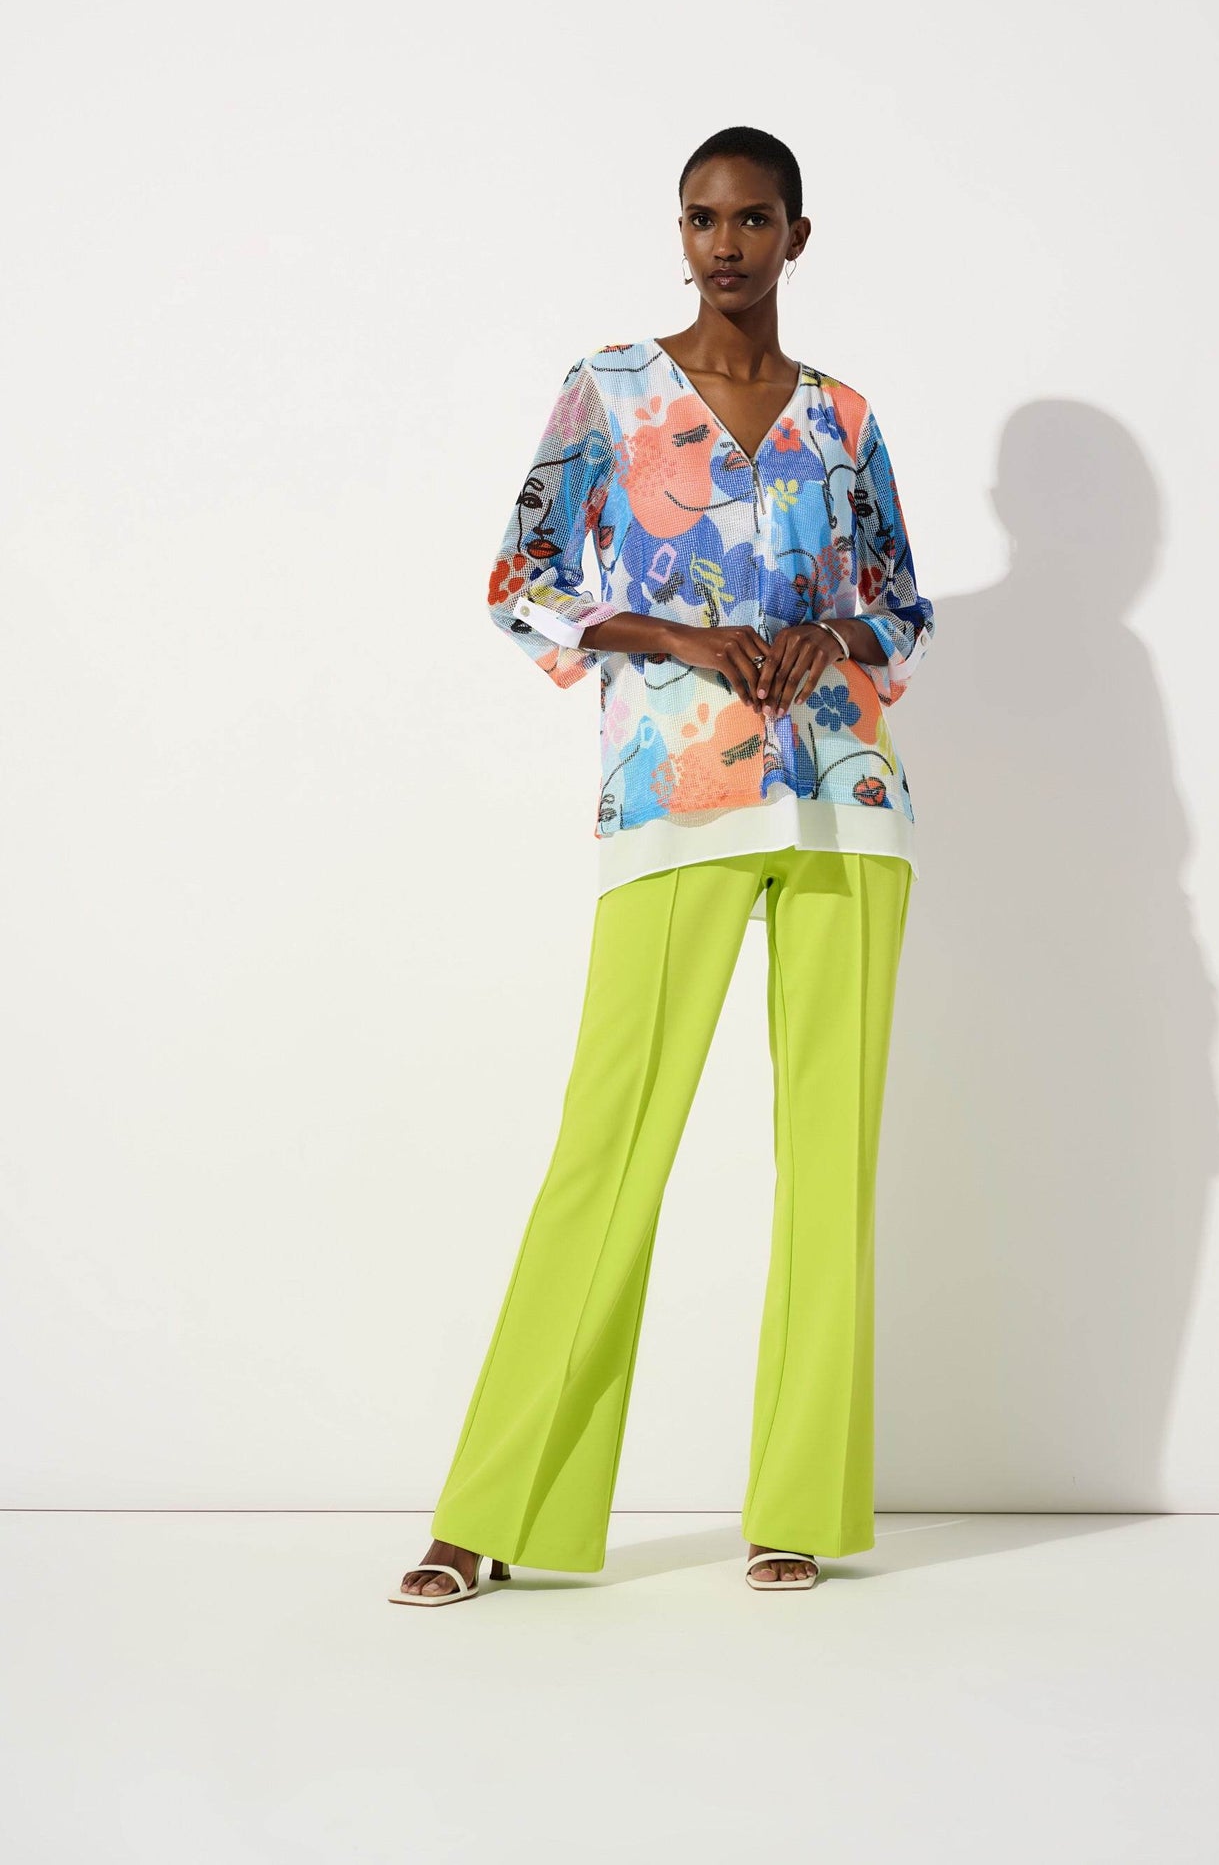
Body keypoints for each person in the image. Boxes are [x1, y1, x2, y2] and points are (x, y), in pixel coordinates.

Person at [390, 125, 935, 1605]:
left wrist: (836, 631)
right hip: (676, 796)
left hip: (849, 799)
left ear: (797, 237)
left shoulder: (844, 418)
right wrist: (679, 635)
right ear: (680, 234)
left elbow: (903, 605)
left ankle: (798, 1506)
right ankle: (494, 1508)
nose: (726, 245)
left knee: (831, 1162)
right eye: (702, 219)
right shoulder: (611, 391)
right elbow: (522, 581)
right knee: (611, 1142)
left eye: (754, 220)